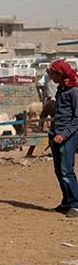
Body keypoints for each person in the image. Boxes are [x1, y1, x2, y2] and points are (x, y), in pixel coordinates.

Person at [46, 60, 78, 217]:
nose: (51, 76)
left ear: (60, 74)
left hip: (68, 136)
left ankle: (75, 205)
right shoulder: (61, 89)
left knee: (67, 170)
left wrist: (63, 134)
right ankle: (66, 202)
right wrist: (53, 133)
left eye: (53, 73)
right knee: (59, 171)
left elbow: (76, 119)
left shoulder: (74, 91)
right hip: (56, 134)